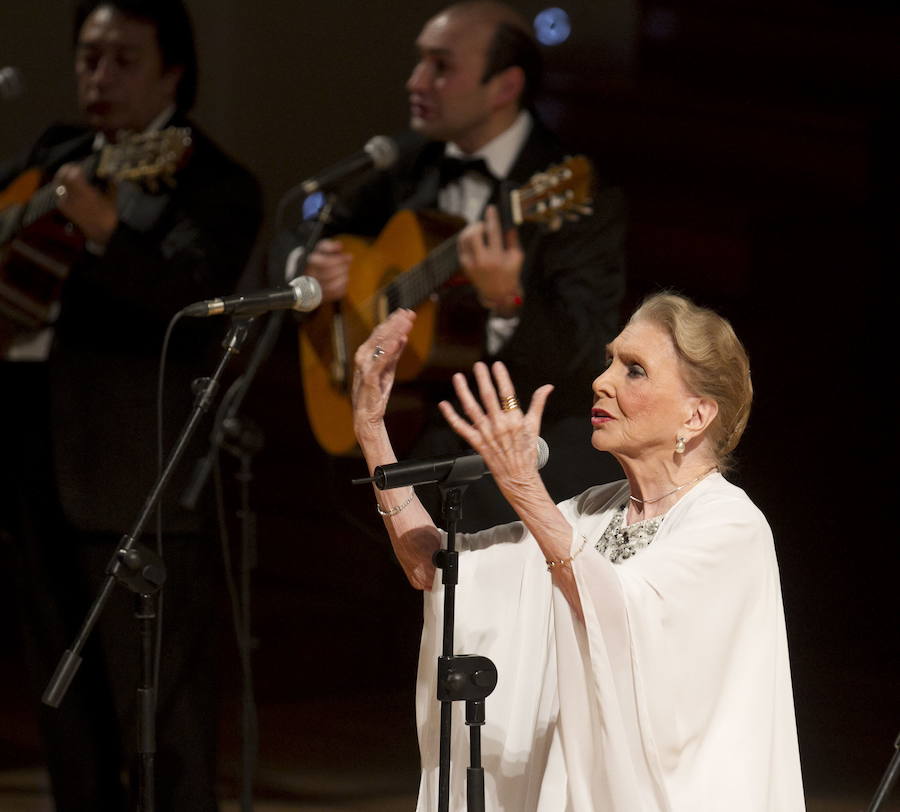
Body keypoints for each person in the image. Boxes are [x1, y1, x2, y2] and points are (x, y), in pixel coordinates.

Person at [350, 295, 805, 810]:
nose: (601, 380)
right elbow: (436, 568)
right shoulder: (594, 512)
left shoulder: (730, 526)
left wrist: (524, 487)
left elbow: (620, 613)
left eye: (634, 370)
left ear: (696, 414)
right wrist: (370, 426)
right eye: (609, 360)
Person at [0, 1, 262, 809]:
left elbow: (191, 303)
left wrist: (110, 230)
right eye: (87, 57)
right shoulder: (57, 154)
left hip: (131, 472)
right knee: (62, 699)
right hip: (27, 446)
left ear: (172, 72)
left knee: (158, 712)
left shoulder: (215, 183)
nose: (98, 77)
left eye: (122, 60)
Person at [289, 0, 626, 531]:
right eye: (420, 61)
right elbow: (299, 229)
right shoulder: (408, 165)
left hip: (509, 477)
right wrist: (312, 267)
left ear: (504, 87)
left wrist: (507, 302)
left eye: (440, 66)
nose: (415, 81)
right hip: (396, 458)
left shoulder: (574, 191)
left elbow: (586, 356)